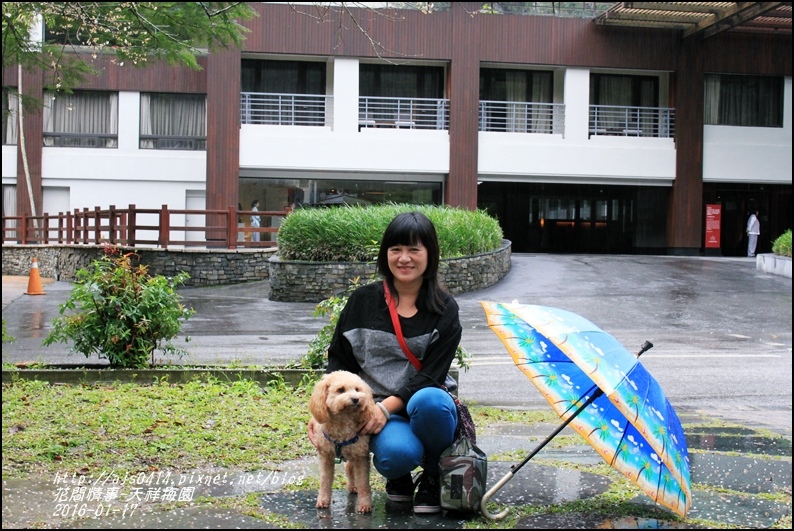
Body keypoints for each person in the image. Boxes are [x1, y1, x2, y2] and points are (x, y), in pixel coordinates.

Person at [307, 211, 462, 514]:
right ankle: (400, 479)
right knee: (394, 455)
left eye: (414, 249)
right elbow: (340, 359)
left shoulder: (445, 308)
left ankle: (432, 476)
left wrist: (385, 407)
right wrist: (322, 412)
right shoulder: (363, 301)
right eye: (396, 249)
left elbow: (432, 375)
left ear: (430, 254)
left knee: (430, 401)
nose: (404, 258)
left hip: (423, 405)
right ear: (385, 254)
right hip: (371, 407)